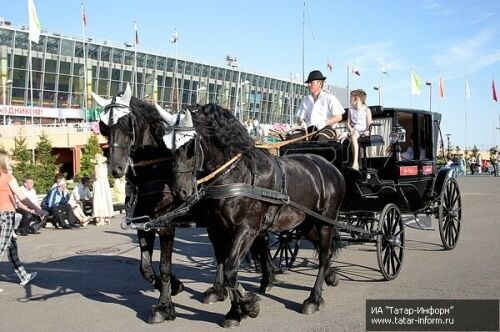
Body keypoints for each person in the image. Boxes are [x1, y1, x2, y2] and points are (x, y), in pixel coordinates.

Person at [0, 151, 46, 291]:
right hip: (6, 215)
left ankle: (23, 275)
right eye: (9, 160)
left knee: (11, 246)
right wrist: (38, 210)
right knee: (1, 246)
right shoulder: (8, 177)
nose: (11, 162)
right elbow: (22, 197)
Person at [296, 70, 345, 138]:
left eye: (311, 82)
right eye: (308, 83)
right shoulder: (305, 100)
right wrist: (302, 122)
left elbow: (339, 117)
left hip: (327, 128)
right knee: (290, 139)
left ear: (320, 83)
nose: (309, 85)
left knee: (320, 139)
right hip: (309, 130)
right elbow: (300, 117)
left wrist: (325, 123)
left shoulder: (330, 98)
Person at [344, 89, 372, 170]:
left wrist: (367, 131)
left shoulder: (366, 110)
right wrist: (350, 129)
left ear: (356, 99)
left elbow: (369, 124)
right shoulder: (350, 111)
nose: (349, 100)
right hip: (353, 131)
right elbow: (348, 123)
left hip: (362, 131)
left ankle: (355, 162)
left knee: (353, 136)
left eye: (350, 99)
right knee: (339, 137)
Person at [92, 153, 114, 226]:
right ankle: (107, 218)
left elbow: (96, 176)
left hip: (99, 184)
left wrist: (92, 177)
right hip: (105, 183)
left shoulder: (96, 166)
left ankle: (101, 220)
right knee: (105, 200)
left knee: (99, 201)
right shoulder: (105, 166)